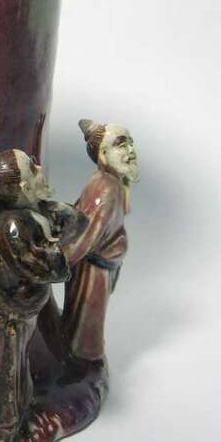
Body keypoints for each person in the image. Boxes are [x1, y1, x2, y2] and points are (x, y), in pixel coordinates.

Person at [0, 149, 85, 441]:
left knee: (18, 364)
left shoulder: (35, 212)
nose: (40, 170)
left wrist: (54, 220)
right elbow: (39, 265)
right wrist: (58, 255)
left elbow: (77, 222)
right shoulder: (12, 225)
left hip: (24, 309)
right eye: (32, 169)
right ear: (20, 187)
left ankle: (13, 413)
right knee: (3, 364)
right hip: (7, 310)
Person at [62, 119, 140, 364]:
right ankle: (83, 361)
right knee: (86, 328)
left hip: (102, 267)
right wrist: (60, 260)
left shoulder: (116, 183)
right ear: (103, 155)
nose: (130, 150)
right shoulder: (105, 188)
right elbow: (87, 235)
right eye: (121, 144)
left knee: (88, 321)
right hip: (92, 272)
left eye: (130, 143)